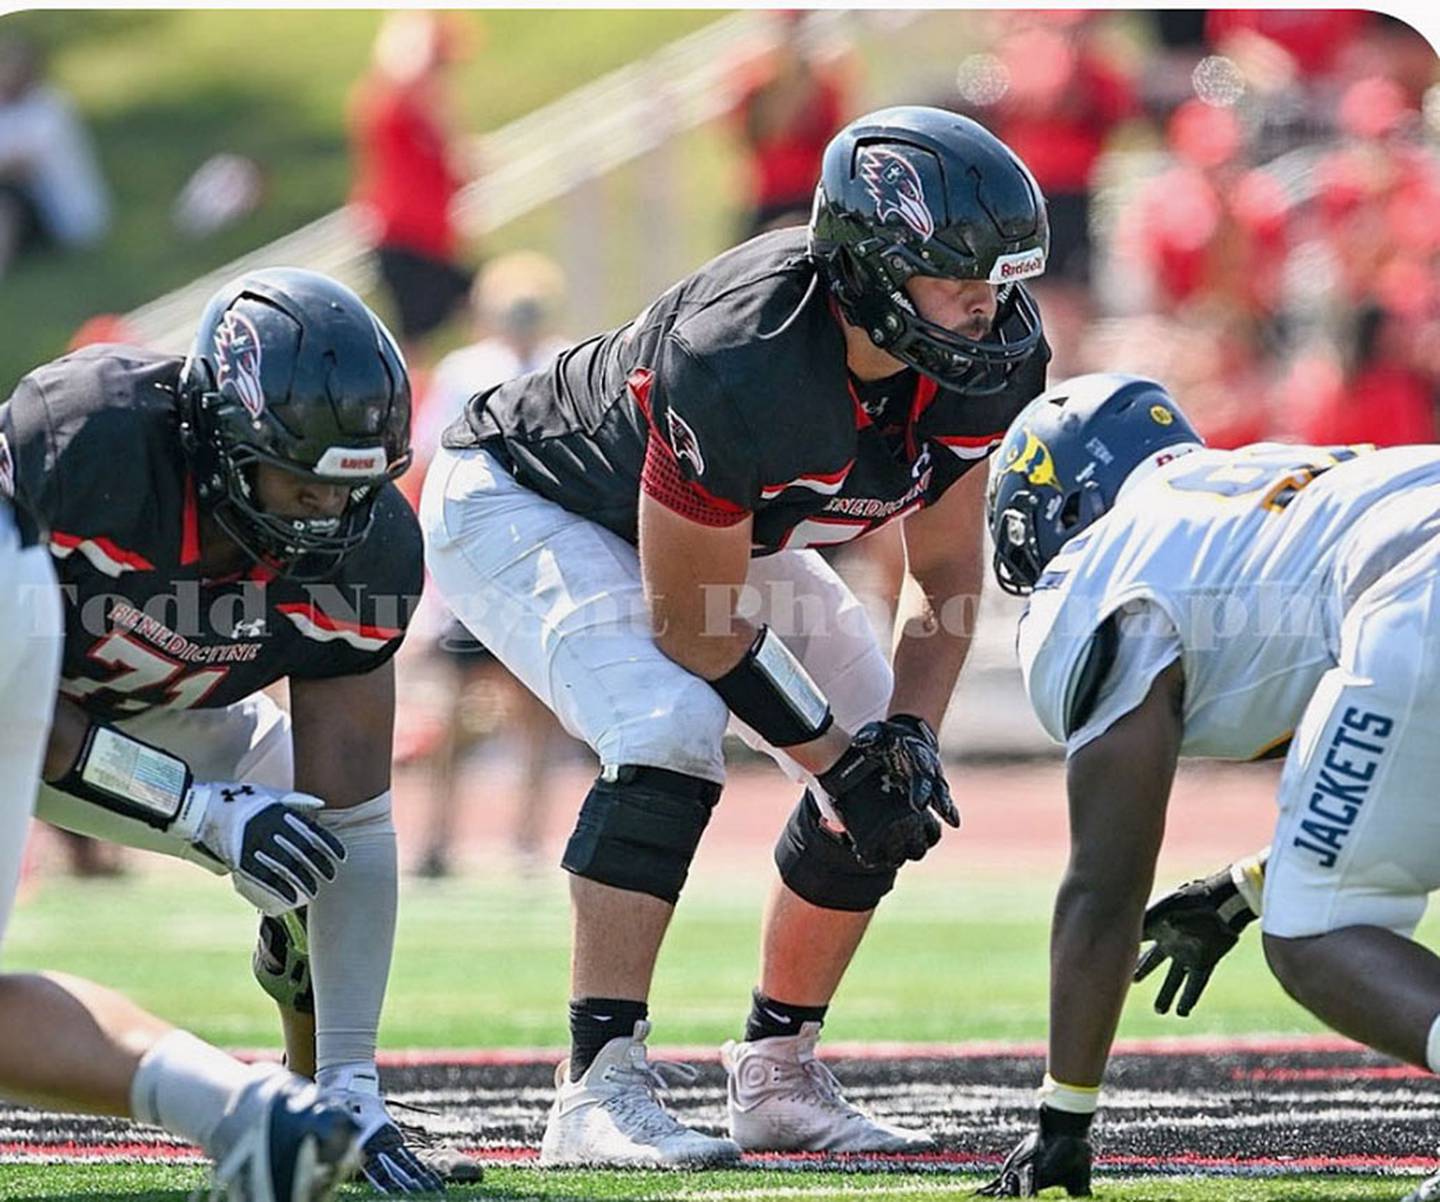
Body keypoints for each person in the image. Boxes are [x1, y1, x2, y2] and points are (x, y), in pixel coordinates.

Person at [421, 105, 1052, 1165]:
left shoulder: (975, 357)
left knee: (881, 767)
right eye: (958, 274)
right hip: (533, 498)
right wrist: (836, 764)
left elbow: (943, 575)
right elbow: (690, 624)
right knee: (666, 725)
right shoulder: (745, 353)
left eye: (999, 275)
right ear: (870, 270)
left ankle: (778, 1076)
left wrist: (904, 736)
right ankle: (596, 1088)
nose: (987, 303)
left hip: (716, 530)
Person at [0, 268, 448, 1195]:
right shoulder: (90, 446)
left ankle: (310, 1090)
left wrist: (352, 1082)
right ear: (217, 437)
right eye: (301, 483)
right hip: (27, 707)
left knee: (318, 841)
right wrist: (197, 811)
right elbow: (25, 710)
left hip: (168, 713)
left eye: (351, 491)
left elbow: (356, 811)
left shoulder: (369, 545)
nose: (329, 516)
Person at [977, 372, 1440, 1200]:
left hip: (1414, 585)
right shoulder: (1250, 494)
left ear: (1064, 503)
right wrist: (1243, 888)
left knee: (1319, 932)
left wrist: (1064, 1118)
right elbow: (1407, 794)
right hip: (1415, 540)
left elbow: (1106, 884)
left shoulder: (1101, 569)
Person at [0, 481, 362, 1199]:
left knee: (311, 801)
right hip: (20, 566)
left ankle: (250, 1107)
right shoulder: (99, 448)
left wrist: (200, 809)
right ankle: (247, 1112)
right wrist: (199, 810)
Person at [349, 10, 476, 365]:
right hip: (404, 239)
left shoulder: (425, 117)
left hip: (431, 243)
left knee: (478, 307)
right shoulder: (391, 107)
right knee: (412, 343)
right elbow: (403, 68)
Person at [0, 34, 109, 276]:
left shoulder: (49, 107)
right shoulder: (7, 109)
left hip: (63, 217)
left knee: (5, 202)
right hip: (33, 212)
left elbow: (18, 166)